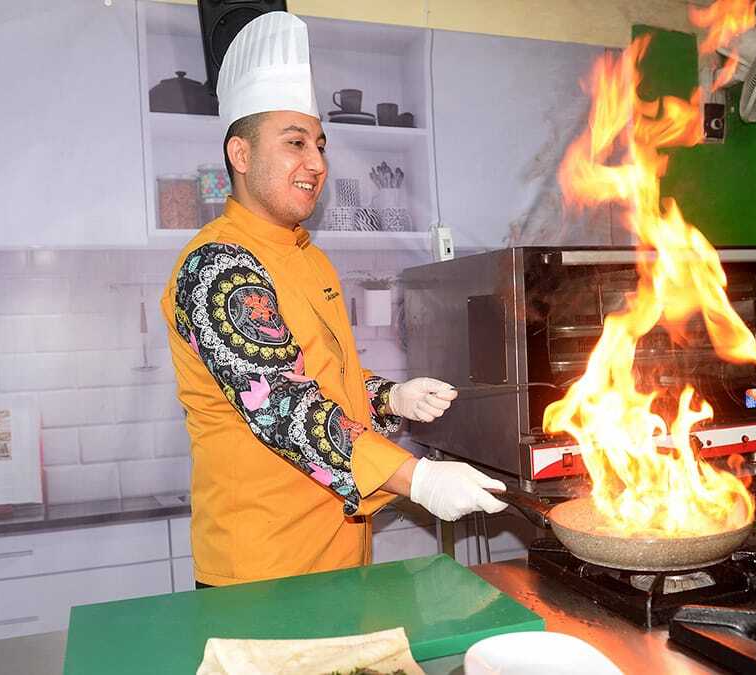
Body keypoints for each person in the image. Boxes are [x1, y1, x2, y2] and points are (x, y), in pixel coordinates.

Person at [160, 12, 506, 588]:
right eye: (295, 143)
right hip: (262, 575)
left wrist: (391, 397)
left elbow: (320, 379)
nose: (317, 164)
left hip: (341, 558)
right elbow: (281, 403)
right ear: (240, 155)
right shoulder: (219, 265)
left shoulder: (308, 258)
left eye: (319, 146)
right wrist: (416, 479)